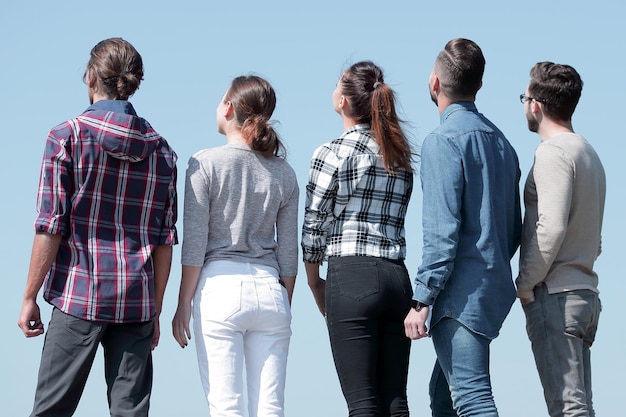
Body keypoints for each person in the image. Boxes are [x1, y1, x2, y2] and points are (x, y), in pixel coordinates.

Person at [17, 37, 178, 417]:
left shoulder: (66, 137)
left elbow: (50, 227)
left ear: (91, 77)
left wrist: (29, 296)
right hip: (136, 301)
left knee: (51, 410)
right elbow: (165, 241)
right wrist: (154, 309)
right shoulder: (162, 150)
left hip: (78, 295)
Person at [404, 38, 522, 417]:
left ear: (435, 83)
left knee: (472, 400)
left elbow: (442, 235)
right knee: (442, 396)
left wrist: (421, 301)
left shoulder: (442, 142)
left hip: (459, 297)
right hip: (491, 289)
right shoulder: (503, 144)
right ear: (479, 86)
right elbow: (513, 229)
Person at [171, 75, 298, 417]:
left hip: (220, 288)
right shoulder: (284, 172)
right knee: (271, 408)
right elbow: (288, 252)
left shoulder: (204, 162)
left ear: (228, 107)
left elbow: (195, 242)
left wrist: (183, 304)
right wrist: (284, 303)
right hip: (271, 290)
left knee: (226, 407)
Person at [302, 61, 414, 417]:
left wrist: (313, 280)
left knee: (363, 404)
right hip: (397, 278)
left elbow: (314, 223)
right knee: (395, 400)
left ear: (344, 102)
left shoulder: (331, 152)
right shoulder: (399, 155)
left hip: (351, 275)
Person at [517, 62, 605, 417]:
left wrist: (525, 284)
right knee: (580, 406)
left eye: (524, 97)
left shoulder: (552, 153)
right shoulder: (589, 153)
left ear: (535, 104)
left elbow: (550, 227)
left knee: (567, 408)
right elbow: (595, 237)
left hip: (557, 295)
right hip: (585, 294)